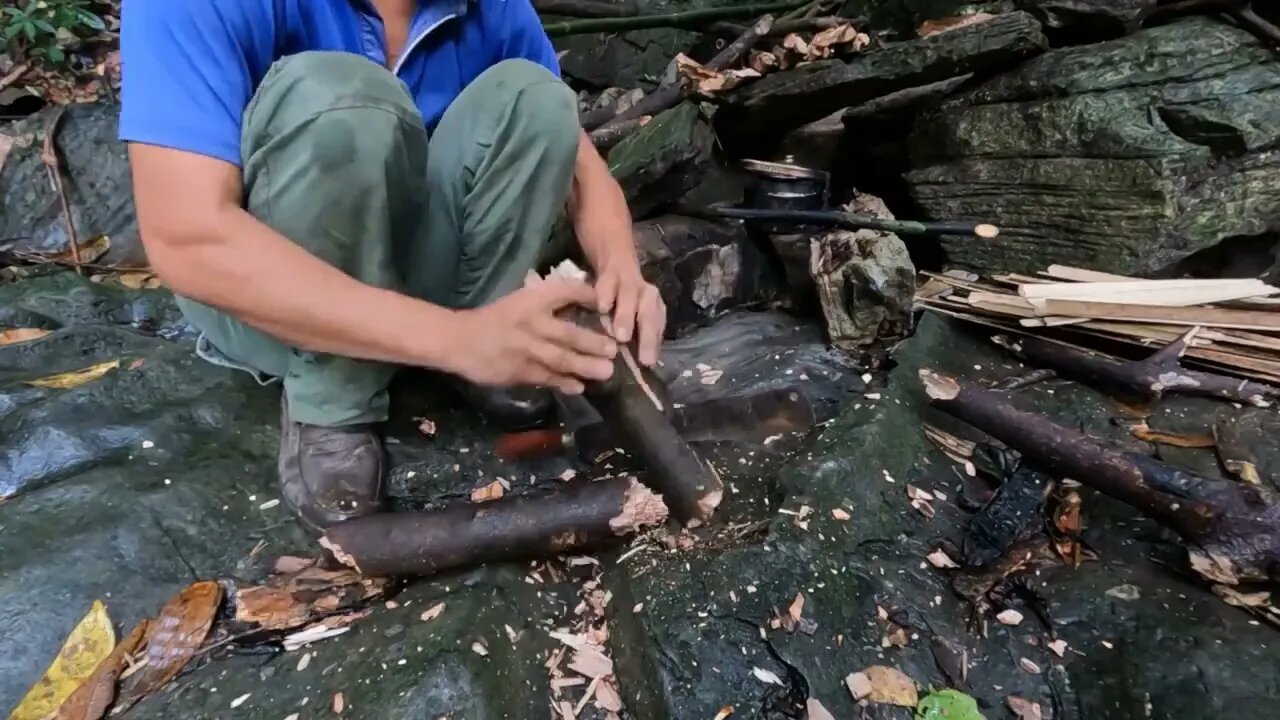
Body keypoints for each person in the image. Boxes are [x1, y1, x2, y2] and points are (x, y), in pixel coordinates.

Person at [118, 0, 666, 530]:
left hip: (418, 273)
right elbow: (187, 237)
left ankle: (490, 337)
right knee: (346, 104)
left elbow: (580, 161)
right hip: (265, 304)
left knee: (538, 98)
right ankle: (332, 396)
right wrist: (456, 338)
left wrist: (621, 267)